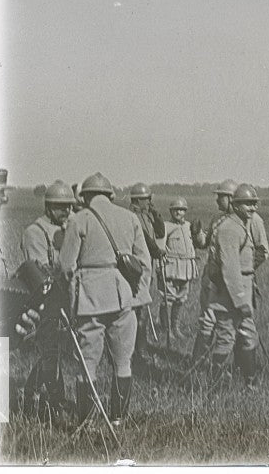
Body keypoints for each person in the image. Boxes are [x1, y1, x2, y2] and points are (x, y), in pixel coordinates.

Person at [56, 173, 150, 425]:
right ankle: (118, 418)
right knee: (123, 362)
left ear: (85, 196)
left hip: (89, 298)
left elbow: (65, 266)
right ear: (110, 195)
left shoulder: (79, 220)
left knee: (87, 363)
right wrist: (138, 296)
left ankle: (86, 421)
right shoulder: (130, 218)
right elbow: (144, 262)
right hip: (123, 296)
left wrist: (70, 298)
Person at [192, 182, 268, 388]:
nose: (253, 208)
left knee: (243, 334)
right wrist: (196, 234)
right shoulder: (224, 224)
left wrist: (244, 279)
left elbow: (260, 252)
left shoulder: (249, 221)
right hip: (223, 286)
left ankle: (247, 381)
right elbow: (222, 258)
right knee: (220, 331)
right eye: (248, 204)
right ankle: (208, 379)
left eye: (221, 196)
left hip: (237, 285)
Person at [16, 181, 72, 413]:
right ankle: (54, 401)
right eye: (60, 207)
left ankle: (34, 393)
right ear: (48, 207)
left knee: (55, 352)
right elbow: (40, 273)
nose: (66, 211)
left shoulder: (69, 230)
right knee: (50, 352)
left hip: (64, 299)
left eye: (69, 206)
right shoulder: (34, 233)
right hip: (43, 302)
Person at [126, 184, 168, 351]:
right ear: (138, 200)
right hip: (137, 266)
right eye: (147, 199)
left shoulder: (147, 215)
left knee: (143, 304)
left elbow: (160, 232)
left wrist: (155, 213)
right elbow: (145, 239)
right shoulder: (132, 216)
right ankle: (139, 346)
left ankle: (139, 343)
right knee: (139, 306)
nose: (150, 201)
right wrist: (156, 251)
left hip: (148, 263)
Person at [155, 197, 198, 342]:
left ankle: (176, 328)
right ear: (171, 211)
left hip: (186, 267)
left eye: (181, 210)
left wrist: (198, 232)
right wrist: (159, 268)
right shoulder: (166, 226)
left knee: (181, 299)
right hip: (171, 267)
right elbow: (160, 248)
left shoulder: (189, 226)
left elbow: (199, 242)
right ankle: (166, 330)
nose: (179, 212)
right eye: (175, 210)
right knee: (168, 298)